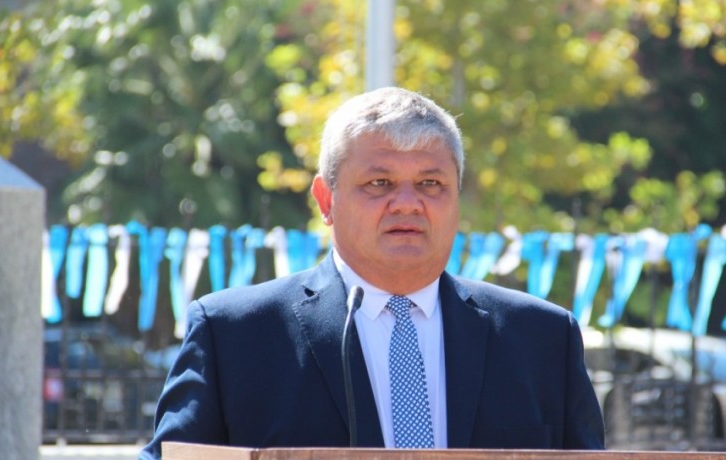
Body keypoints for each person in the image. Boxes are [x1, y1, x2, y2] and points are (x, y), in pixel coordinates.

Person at [140, 87, 604, 459]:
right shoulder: (233, 335)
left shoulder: (542, 339)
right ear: (326, 201)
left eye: (431, 183)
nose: (407, 203)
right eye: (379, 183)